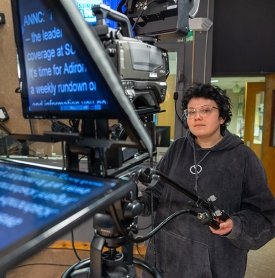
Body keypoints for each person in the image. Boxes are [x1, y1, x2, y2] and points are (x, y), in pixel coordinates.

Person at [140, 83, 275, 278]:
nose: (197, 116)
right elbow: (156, 191)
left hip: (212, 265)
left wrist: (235, 226)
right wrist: (138, 203)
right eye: (191, 111)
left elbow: (266, 216)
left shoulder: (243, 158)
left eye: (205, 110)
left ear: (221, 117)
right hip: (165, 257)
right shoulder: (177, 148)